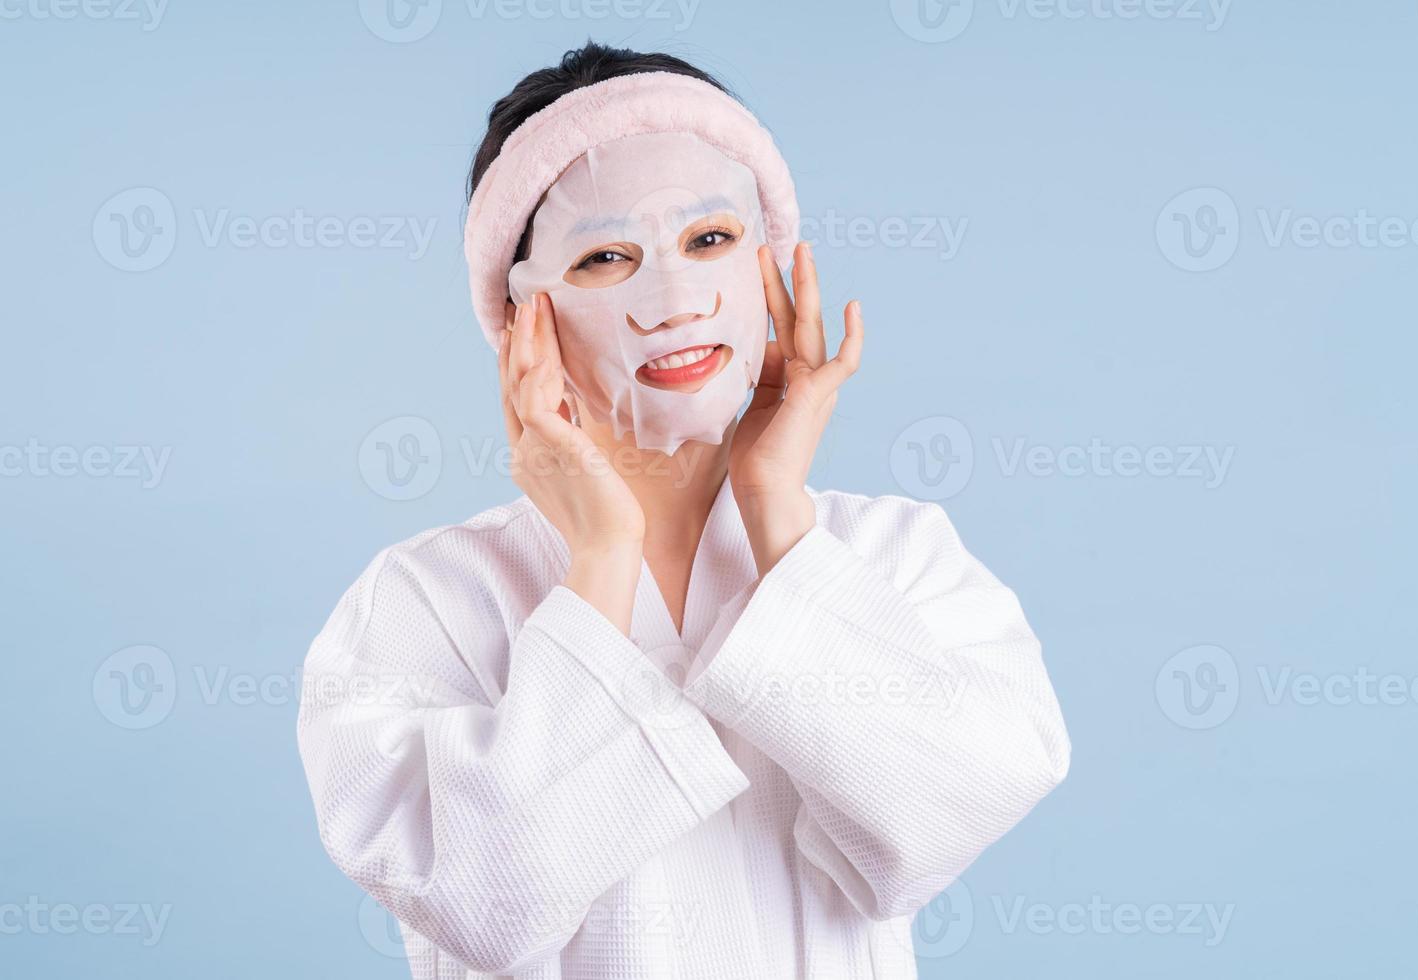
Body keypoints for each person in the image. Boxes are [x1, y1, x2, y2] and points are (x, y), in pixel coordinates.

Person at [297, 41, 1070, 980]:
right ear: (519, 318)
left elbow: (953, 809)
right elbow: (481, 904)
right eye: (605, 257)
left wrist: (779, 517)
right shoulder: (424, 602)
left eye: (710, 241)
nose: (672, 304)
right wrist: (602, 559)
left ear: (773, 270)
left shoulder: (896, 553)